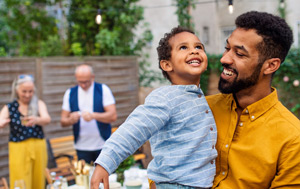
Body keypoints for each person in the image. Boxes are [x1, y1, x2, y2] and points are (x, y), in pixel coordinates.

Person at [91, 26, 218, 189]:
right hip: (176, 185)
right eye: (183, 47)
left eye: (198, 47)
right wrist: (104, 163)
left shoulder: (199, 98)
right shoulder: (165, 97)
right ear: (166, 65)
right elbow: (133, 130)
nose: (194, 51)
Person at [206, 11, 300, 188]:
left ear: (271, 65)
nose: (224, 59)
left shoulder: (293, 139)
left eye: (239, 54)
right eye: (227, 48)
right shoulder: (202, 108)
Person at [0, 74, 51, 189]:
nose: (27, 95)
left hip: (38, 146)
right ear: (17, 90)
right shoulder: (10, 107)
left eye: (30, 91)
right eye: (24, 91)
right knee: (20, 179)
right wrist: (2, 123)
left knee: (39, 178)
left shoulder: (38, 103)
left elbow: (47, 119)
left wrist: (37, 119)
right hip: (18, 148)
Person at [61, 64, 117, 164]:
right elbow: (63, 122)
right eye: (80, 82)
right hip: (81, 147)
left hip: (103, 145)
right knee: (85, 178)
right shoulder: (70, 93)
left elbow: (113, 116)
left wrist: (93, 116)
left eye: (86, 82)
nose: (83, 85)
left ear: (92, 77)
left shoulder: (103, 89)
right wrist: (71, 119)